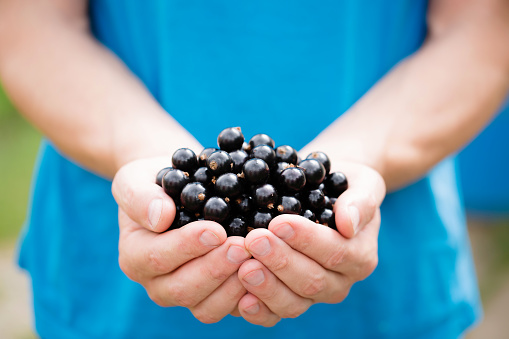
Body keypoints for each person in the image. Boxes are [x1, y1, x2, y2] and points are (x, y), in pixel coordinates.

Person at [0, 0, 508, 338]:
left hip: (387, 286)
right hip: (114, 277)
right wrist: (144, 159)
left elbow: (483, 25)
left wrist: (359, 158)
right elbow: (30, 23)